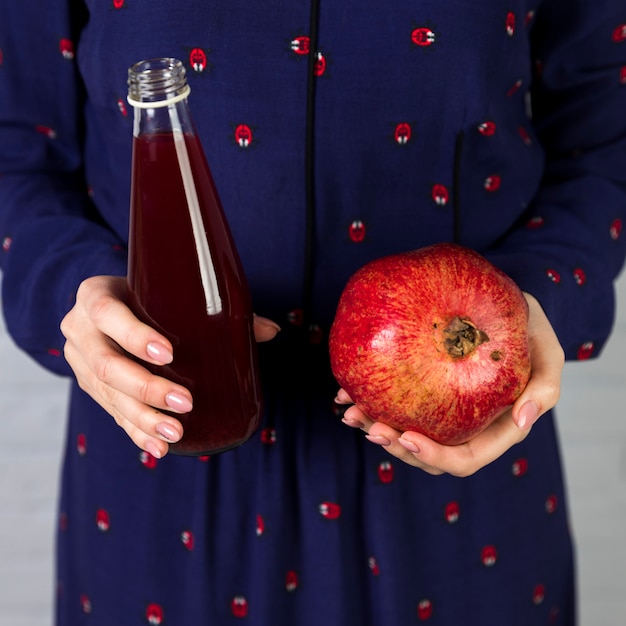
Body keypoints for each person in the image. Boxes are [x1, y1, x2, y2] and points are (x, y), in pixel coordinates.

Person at [1, 1, 625, 624]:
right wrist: (76, 296)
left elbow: (607, 135)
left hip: (463, 455)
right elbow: (16, 144)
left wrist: (544, 296)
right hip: (163, 448)